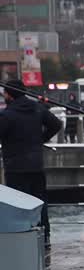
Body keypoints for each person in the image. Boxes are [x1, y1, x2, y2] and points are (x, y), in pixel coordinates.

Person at [0, 79, 63, 238]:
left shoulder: (7, 115)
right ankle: (45, 236)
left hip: (15, 166)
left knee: (19, 205)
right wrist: (40, 139)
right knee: (40, 202)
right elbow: (56, 124)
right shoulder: (37, 108)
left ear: (9, 95)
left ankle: (24, 237)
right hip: (36, 165)